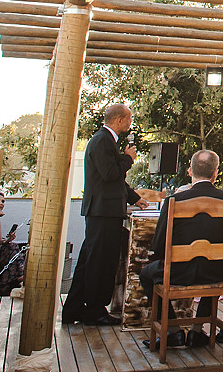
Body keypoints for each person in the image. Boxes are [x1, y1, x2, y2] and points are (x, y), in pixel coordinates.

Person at [139, 150, 223, 350]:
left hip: (177, 272)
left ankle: (173, 333)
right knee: (216, 269)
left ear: (190, 172)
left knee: (146, 274)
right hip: (213, 272)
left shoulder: (175, 200)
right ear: (215, 173)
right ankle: (196, 331)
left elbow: (158, 246)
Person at [63, 102, 147, 325]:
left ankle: (73, 308)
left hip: (102, 211)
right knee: (101, 262)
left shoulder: (107, 141)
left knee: (90, 261)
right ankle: (95, 311)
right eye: (128, 119)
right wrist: (128, 158)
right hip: (103, 212)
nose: (130, 123)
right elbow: (110, 173)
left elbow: (114, 180)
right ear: (119, 120)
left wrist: (135, 198)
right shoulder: (102, 141)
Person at [0, 193, 25, 296]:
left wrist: (8, 239)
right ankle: (21, 275)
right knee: (12, 247)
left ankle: (20, 275)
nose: (1, 204)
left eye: (3, 201)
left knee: (13, 246)